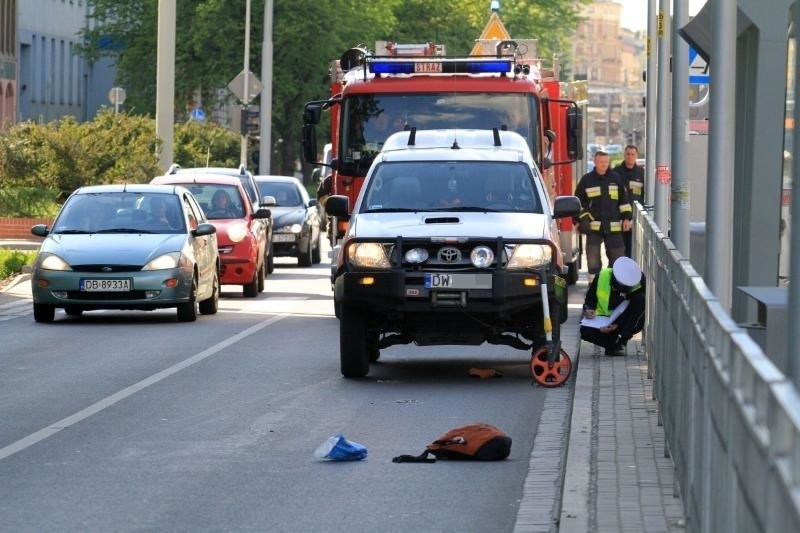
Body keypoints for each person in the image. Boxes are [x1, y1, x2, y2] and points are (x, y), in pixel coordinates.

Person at [574, 150, 632, 280]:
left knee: (618, 259)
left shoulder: (616, 178)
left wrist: (627, 218)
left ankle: (615, 285)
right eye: (601, 162)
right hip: (593, 228)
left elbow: (624, 201)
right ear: (595, 162)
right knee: (593, 260)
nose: (604, 164)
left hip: (614, 227)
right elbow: (577, 202)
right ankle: (594, 287)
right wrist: (577, 221)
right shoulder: (587, 180)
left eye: (606, 162)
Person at [580, 256, 646, 356]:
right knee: (585, 331)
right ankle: (613, 345)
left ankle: (621, 340)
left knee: (640, 301)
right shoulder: (602, 276)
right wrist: (588, 309)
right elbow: (590, 299)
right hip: (601, 321)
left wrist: (617, 325)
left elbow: (636, 311)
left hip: (622, 323)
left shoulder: (637, 283)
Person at [613, 144, 645, 257]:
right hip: (617, 218)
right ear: (624, 155)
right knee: (617, 251)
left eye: (632, 154)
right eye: (628, 154)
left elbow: (645, 195)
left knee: (633, 250)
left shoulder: (642, 174)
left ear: (636, 156)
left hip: (636, 218)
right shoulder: (615, 173)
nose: (630, 157)